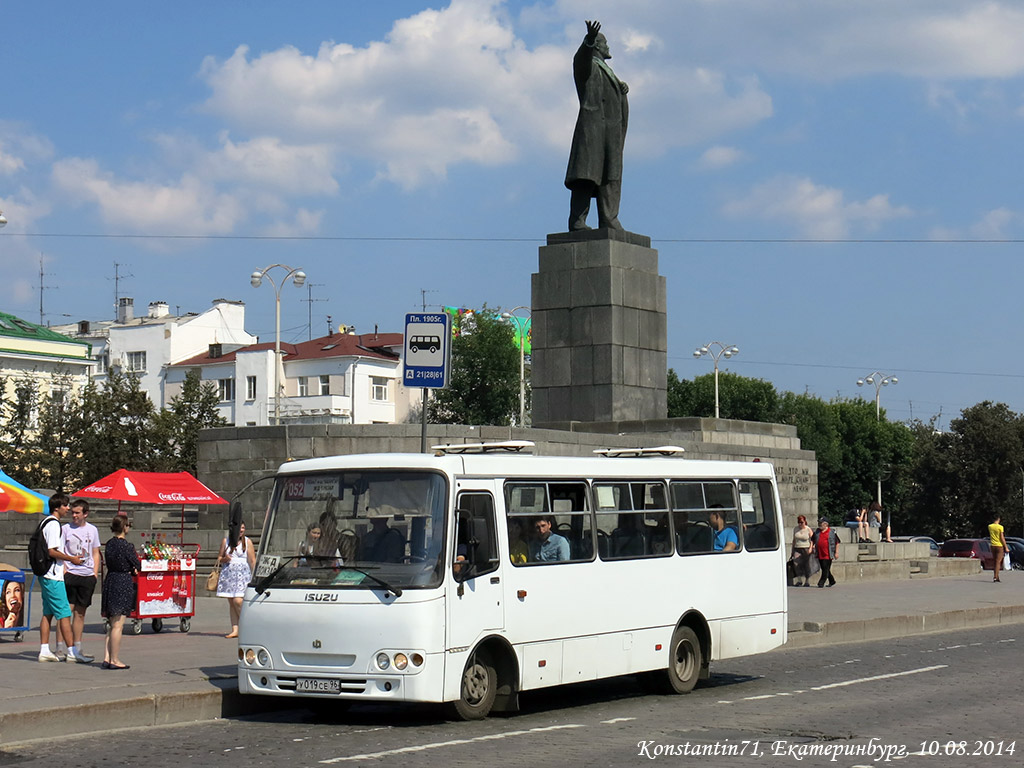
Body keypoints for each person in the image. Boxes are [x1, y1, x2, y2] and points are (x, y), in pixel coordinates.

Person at [565, 19, 629, 231]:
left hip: (610, 133)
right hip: (592, 131)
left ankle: (609, 219)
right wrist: (589, 41)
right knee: (586, 177)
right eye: (605, 43)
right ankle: (577, 221)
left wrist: (621, 90)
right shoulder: (588, 66)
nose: (608, 46)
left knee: (610, 178)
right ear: (598, 47)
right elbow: (579, 61)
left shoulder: (608, 71)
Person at [37, 494, 89, 663]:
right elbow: (52, 551)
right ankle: (73, 652)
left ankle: (44, 649)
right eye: (65, 505)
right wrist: (71, 559)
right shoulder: (53, 524)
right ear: (57, 507)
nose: (68, 508)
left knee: (48, 612)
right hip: (53, 575)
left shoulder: (45, 522)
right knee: (64, 613)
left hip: (46, 574)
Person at [60, 499, 100, 662]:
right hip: (70, 573)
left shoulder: (92, 530)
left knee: (80, 613)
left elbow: (96, 552)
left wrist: (94, 572)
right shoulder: (65, 529)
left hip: (87, 575)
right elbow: (60, 550)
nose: (74, 516)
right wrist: (64, 569)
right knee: (65, 612)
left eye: (77, 513)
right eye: (73, 513)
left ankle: (77, 647)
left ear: (85, 514)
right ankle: (62, 648)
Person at [101, 515, 140, 670]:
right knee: (118, 624)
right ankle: (115, 659)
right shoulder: (127, 546)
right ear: (125, 527)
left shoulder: (110, 544)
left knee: (111, 623)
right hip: (122, 581)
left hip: (111, 579)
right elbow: (136, 563)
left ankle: (107, 657)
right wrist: (133, 568)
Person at [216, 521, 256, 639]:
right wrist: (225, 558)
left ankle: (246, 626)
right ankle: (235, 629)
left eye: (243, 528)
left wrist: (255, 576)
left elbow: (252, 560)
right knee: (231, 603)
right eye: (239, 528)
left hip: (242, 575)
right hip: (229, 575)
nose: (241, 530)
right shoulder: (226, 541)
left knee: (238, 601)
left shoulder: (247, 542)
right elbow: (219, 557)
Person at [813, 517, 840, 588]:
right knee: (825, 568)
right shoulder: (817, 532)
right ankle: (832, 581)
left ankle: (821, 583)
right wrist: (811, 547)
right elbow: (812, 540)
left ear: (826, 524)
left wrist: (836, 553)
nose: (819, 525)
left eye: (821, 523)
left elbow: (837, 542)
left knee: (825, 568)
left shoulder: (831, 532)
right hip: (819, 553)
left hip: (828, 554)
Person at [790, 515, 814, 586]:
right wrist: (792, 550)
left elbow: (812, 540)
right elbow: (794, 540)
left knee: (806, 564)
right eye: (799, 522)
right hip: (797, 547)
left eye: (801, 522)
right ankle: (799, 580)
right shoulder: (796, 529)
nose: (800, 524)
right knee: (796, 564)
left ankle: (807, 581)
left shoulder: (808, 529)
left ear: (804, 522)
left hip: (806, 548)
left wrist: (810, 548)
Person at [988, 513, 1008, 583]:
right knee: (998, 562)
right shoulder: (1000, 527)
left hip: (992, 545)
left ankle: (997, 576)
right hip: (999, 545)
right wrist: (1006, 547)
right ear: (998, 519)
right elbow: (1002, 537)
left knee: (995, 561)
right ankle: (995, 577)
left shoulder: (990, 526)